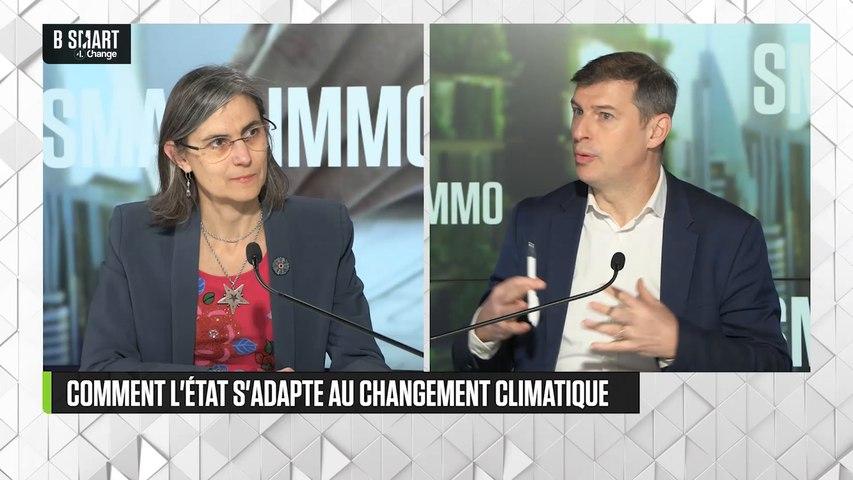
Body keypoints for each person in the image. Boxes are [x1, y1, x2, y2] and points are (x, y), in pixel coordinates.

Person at [453, 52, 792, 372]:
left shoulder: (729, 234)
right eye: (578, 111)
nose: (579, 131)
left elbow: (771, 365)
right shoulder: (535, 221)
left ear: (655, 131)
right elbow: (482, 368)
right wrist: (483, 333)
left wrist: (677, 343)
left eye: (604, 115)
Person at [80, 65, 389, 372]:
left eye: (252, 133)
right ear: (180, 157)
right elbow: (102, 368)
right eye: (218, 142)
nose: (244, 157)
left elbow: (362, 361)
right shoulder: (136, 234)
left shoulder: (322, 229)